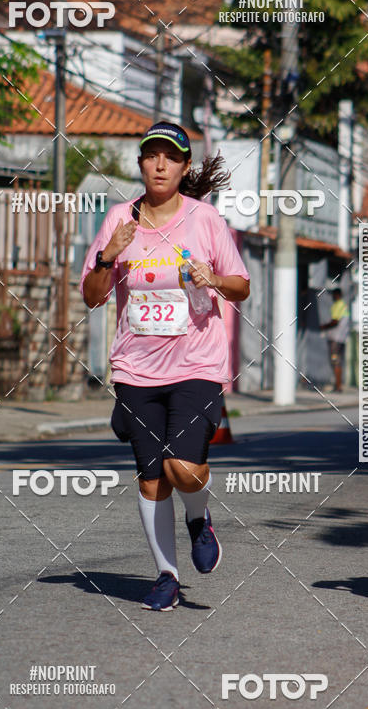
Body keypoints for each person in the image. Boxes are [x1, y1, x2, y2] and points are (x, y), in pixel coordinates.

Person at [80, 120, 250, 611]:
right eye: (152, 156)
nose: (160, 165)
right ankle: (166, 576)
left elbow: (241, 286)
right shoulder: (120, 219)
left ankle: (198, 516)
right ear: (140, 163)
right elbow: (92, 296)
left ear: (184, 167)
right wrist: (108, 258)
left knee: (182, 468)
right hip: (136, 369)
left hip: (196, 364)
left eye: (171, 157)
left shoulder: (205, 220)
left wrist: (213, 278)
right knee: (152, 477)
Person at [320, 288, 350, 392]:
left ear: (337, 295)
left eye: (333, 295)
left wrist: (323, 327)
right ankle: (338, 385)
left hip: (335, 339)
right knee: (338, 361)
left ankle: (338, 386)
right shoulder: (344, 305)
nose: (332, 297)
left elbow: (335, 322)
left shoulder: (338, 305)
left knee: (335, 361)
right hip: (342, 339)